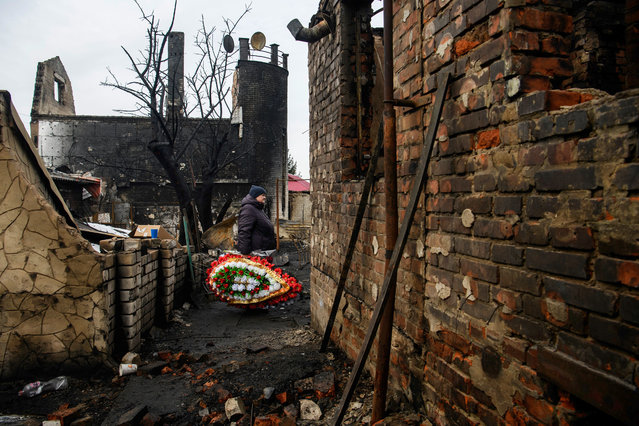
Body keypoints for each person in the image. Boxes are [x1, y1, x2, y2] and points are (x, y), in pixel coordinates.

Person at [237, 185, 276, 255]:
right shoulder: (249, 209)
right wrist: (244, 252)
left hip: (262, 250)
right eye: (262, 195)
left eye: (265, 195)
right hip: (256, 252)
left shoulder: (257, 208)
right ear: (255, 196)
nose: (265, 197)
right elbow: (244, 232)